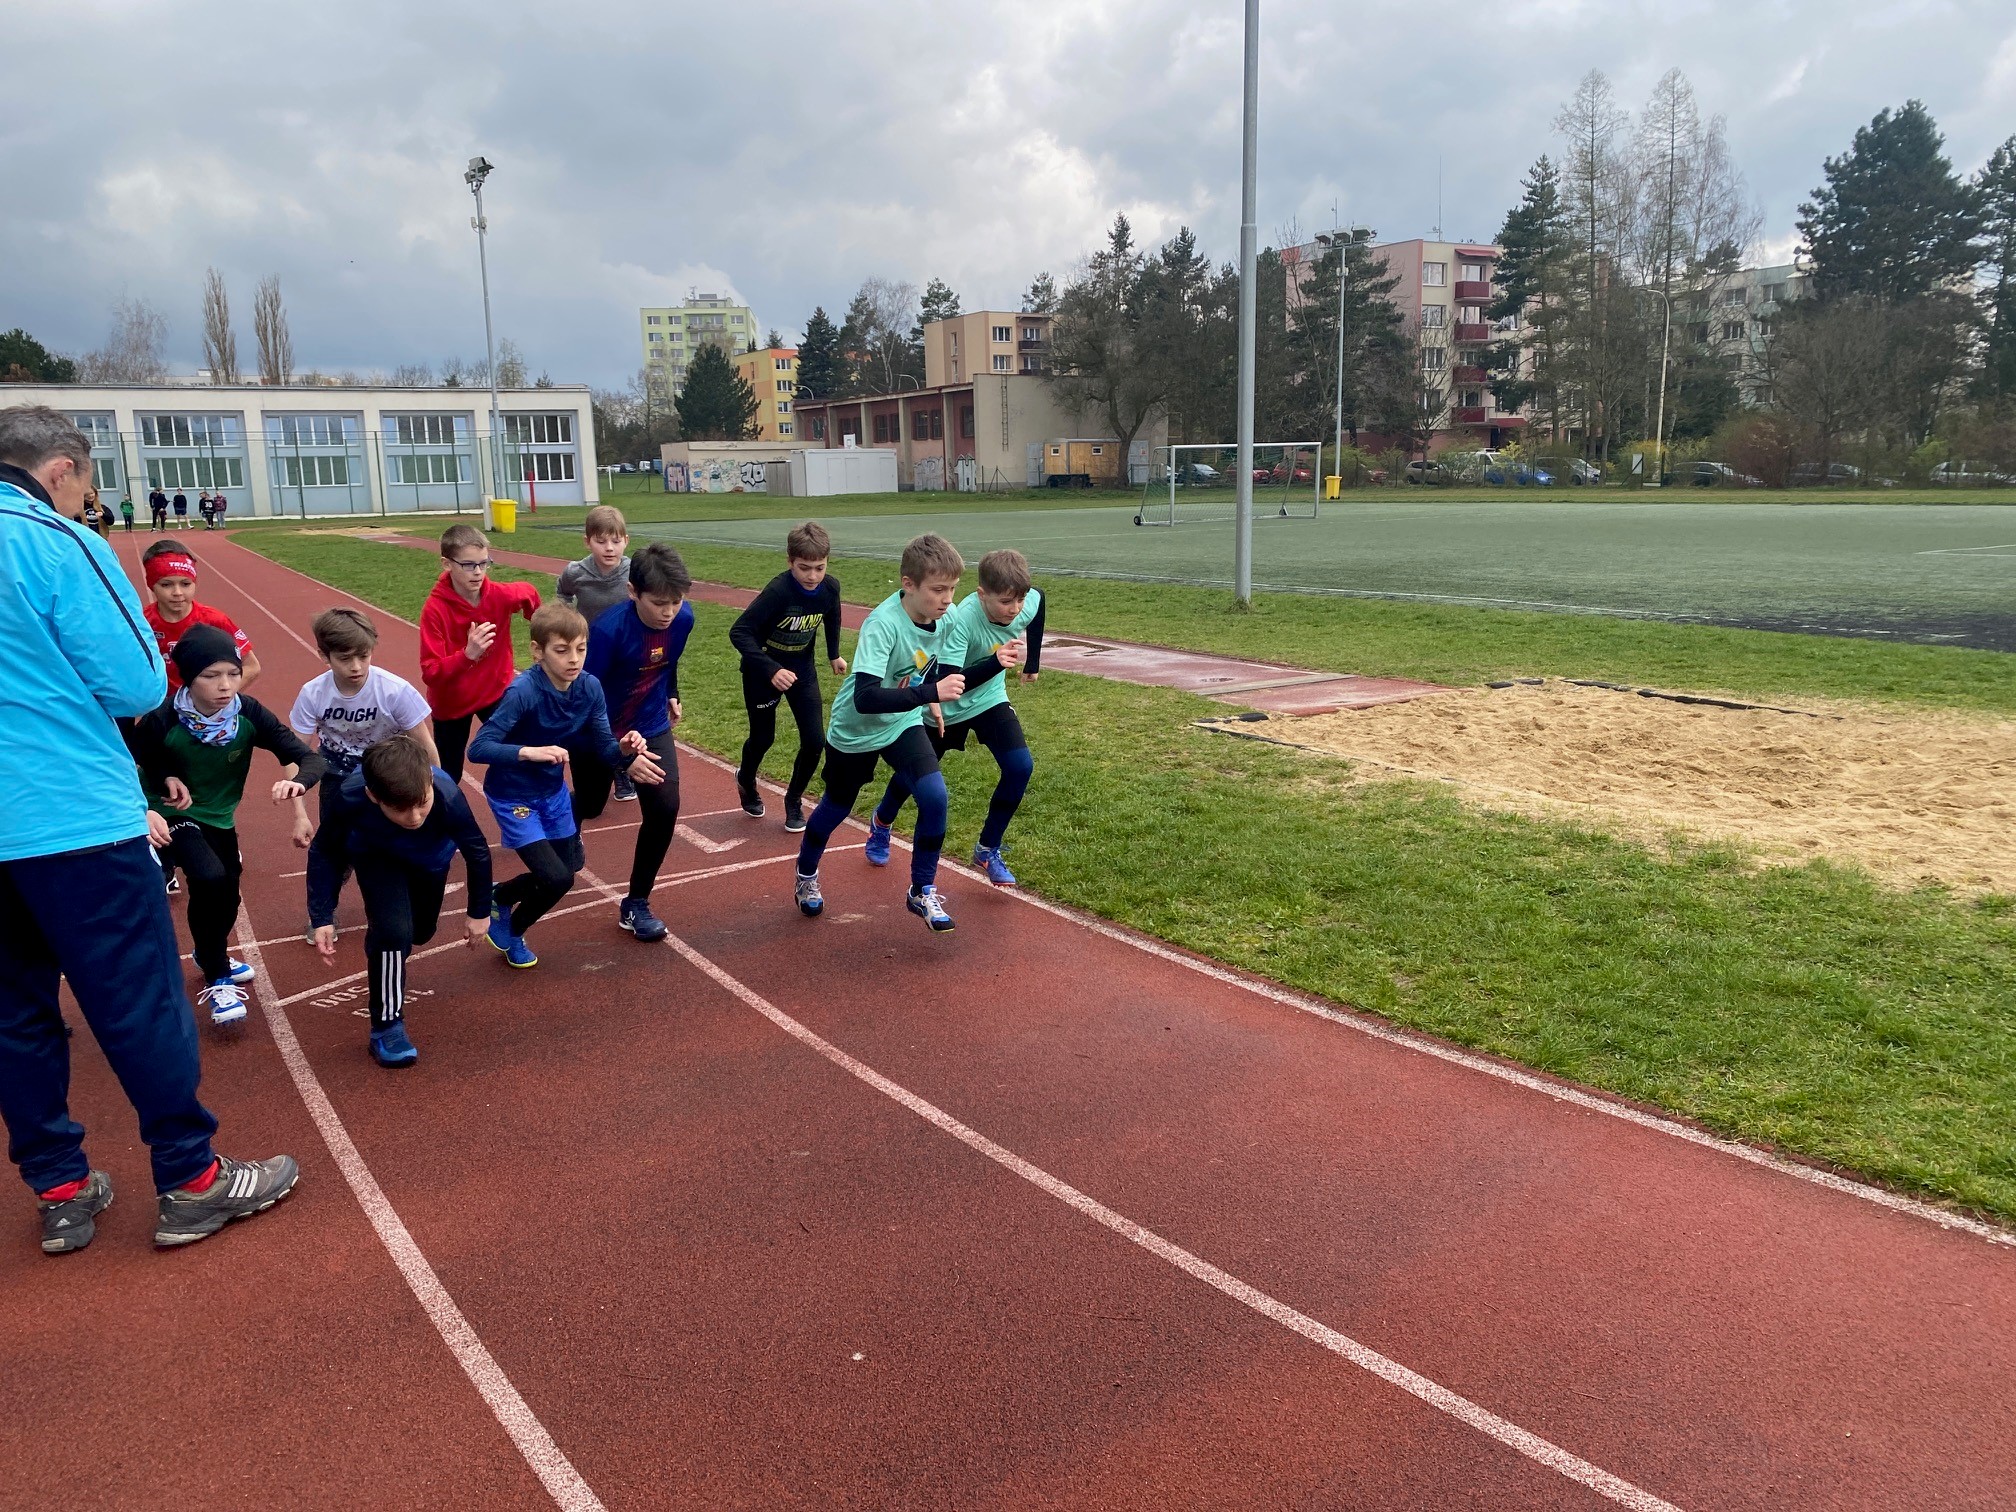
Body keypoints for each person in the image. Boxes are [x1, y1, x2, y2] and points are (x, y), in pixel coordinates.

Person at [0, 404, 296, 1255]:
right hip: (71, 818)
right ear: (61, 470)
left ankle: (60, 1190)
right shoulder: (58, 540)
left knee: (15, 1013)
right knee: (138, 999)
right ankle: (191, 1179)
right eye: (85, 484)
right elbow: (137, 684)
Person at [793, 534, 1021, 933]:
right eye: (938, 589)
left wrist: (937, 693)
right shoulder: (882, 625)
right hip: (857, 729)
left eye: (952, 589)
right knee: (837, 807)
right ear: (909, 585)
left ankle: (921, 889)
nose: (948, 599)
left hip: (902, 721)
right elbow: (865, 697)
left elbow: (934, 666)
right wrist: (930, 693)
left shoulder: (946, 617)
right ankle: (806, 872)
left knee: (934, 795)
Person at [127, 624, 326, 1024]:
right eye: (211, 675)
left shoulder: (248, 713)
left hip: (218, 814)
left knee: (228, 894)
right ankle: (217, 979)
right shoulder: (162, 719)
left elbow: (310, 758)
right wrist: (162, 782)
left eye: (233, 673)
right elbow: (132, 761)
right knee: (209, 877)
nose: (225, 685)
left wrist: (298, 782)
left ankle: (208, 952)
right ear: (188, 677)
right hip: (170, 813)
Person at [468, 604, 662, 966]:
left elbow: (605, 748)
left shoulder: (589, 687)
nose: (574, 659)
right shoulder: (523, 692)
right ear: (537, 651)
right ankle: (515, 932)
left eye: (581, 649)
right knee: (557, 879)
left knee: (568, 868)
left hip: (552, 793)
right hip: (512, 795)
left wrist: (624, 748)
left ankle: (501, 896)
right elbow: (478, 748)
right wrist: (530, 752)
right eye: (561, 650)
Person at [309, 736, 493, 1068]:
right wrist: (322, 914)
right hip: (377, 858)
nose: (414, 816)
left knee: (420, 932)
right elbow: (325, 850)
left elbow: (477, 850)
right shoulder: (351, 796)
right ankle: (386, 1028)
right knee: (393, 935)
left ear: (429, 781)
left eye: (422, 803)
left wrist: (479, 911)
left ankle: (385, 940)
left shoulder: (447, 794)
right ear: (373, 796)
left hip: (431, 861)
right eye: (400, 809)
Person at [868, 548, 1042, 887]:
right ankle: (882, 821)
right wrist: (996, 662)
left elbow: (1040, 600)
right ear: (982, 594)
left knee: (1020, 767)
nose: (1016, 609)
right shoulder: (961, 621)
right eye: (1006, 601)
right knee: (914, 776)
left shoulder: (1024, 603)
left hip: (990, 699)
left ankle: (987, 848)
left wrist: (1032, 662)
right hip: (945, 707)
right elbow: (950, 682)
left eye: (1020, 599)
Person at [290, 607, 437, 935]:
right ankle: (323, 914)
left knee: (401, 841)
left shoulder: (394, 690)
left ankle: (402, 903)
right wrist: (299, 813)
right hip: (338, 775)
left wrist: (432, 793)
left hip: (390, 775)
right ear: (324, 655)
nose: (356, 666)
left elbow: (426, 747)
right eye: (345, 658)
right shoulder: (313, 694)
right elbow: (295, 754)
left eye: (364, 656)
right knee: (333, 850)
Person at [576, 544, 692, 943]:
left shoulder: (684, 619)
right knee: (591, 805)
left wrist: (671, 692)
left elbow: (669, 660)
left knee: (665, 806)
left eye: (676, 601)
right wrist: (622, 759)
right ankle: (567, 819)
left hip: (650, 723)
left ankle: (636, 902)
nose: (668, 612)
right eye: (658, 603)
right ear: (632, 592)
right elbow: (583, 703)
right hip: (599, 728)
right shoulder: (606, 632)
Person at [729, 520, 846, 831]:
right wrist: (771, 668)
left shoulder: (830, 587)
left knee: (815, 741)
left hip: (802, 671)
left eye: (819, 568)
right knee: (763, 738)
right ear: (790, 561)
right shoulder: (778, 592)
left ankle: (793, 799)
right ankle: (746, 779)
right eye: (804, 568)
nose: (812, 576)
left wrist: (833, 654)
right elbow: (739, 632)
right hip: (762, 673)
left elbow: (832, 615)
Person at [419, 523, 541, 784]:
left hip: (494, 692)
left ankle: (515, 802)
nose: (477, 572)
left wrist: (539, 626)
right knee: (448, 774)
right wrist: (467, 655)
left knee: (517, 755)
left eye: (484, 563)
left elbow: (529, 593)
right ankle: (443, 807)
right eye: (468, 565)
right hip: (452, 703)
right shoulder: (435, 610)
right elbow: (430, 672)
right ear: (446, 564)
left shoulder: (500, 595)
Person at [557, 504, 637, 800]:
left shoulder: (634, 570)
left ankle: (622, 766)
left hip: (626, 654)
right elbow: (563, 591)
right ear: (587, 541)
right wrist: (568, 621)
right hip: (589, 656)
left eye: (616, 541)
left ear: (626, 540)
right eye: (601, 541)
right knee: (594, 711)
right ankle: (605, 767)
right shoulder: (576, 572)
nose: (609, 548)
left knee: (623, 710)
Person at [140, 541, 262, 692]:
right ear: (152, 585)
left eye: (185, 584)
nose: (177, 592)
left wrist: (221, 694)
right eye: (166, 585)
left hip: (205, 704)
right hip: (161, 704)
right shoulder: (141, 622)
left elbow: (251, 666)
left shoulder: (214, 620)